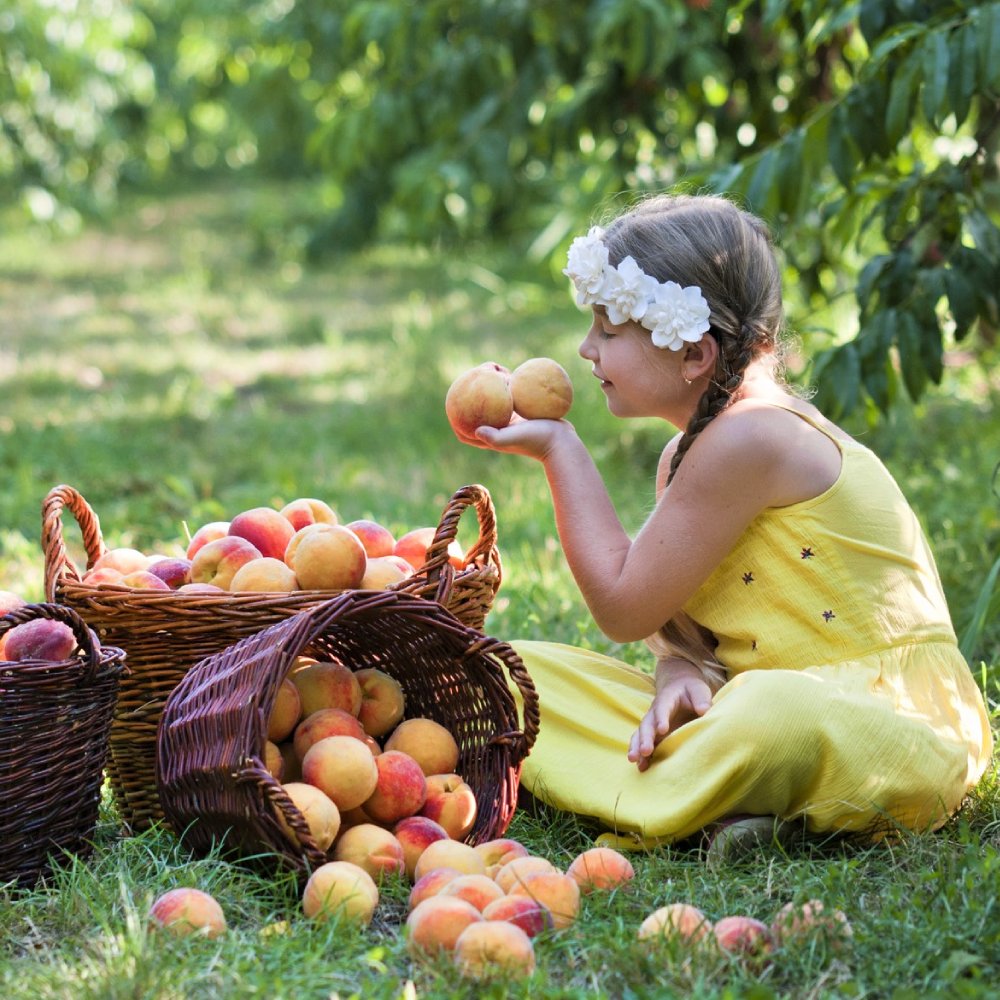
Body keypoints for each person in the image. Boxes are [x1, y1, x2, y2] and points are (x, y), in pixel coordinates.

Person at [452, 193, 994, 857]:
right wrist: (677, 675)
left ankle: (705, 796)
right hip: (739, 706)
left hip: (884, 726)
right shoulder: (688, 455)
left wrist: (560, 451)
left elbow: (621, 608)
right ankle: (743, 811)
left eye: (609, 329)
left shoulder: (753, 438)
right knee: (504, 672)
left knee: (769, 715)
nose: (585, 349)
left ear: (693, 355)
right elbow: (686, 639)